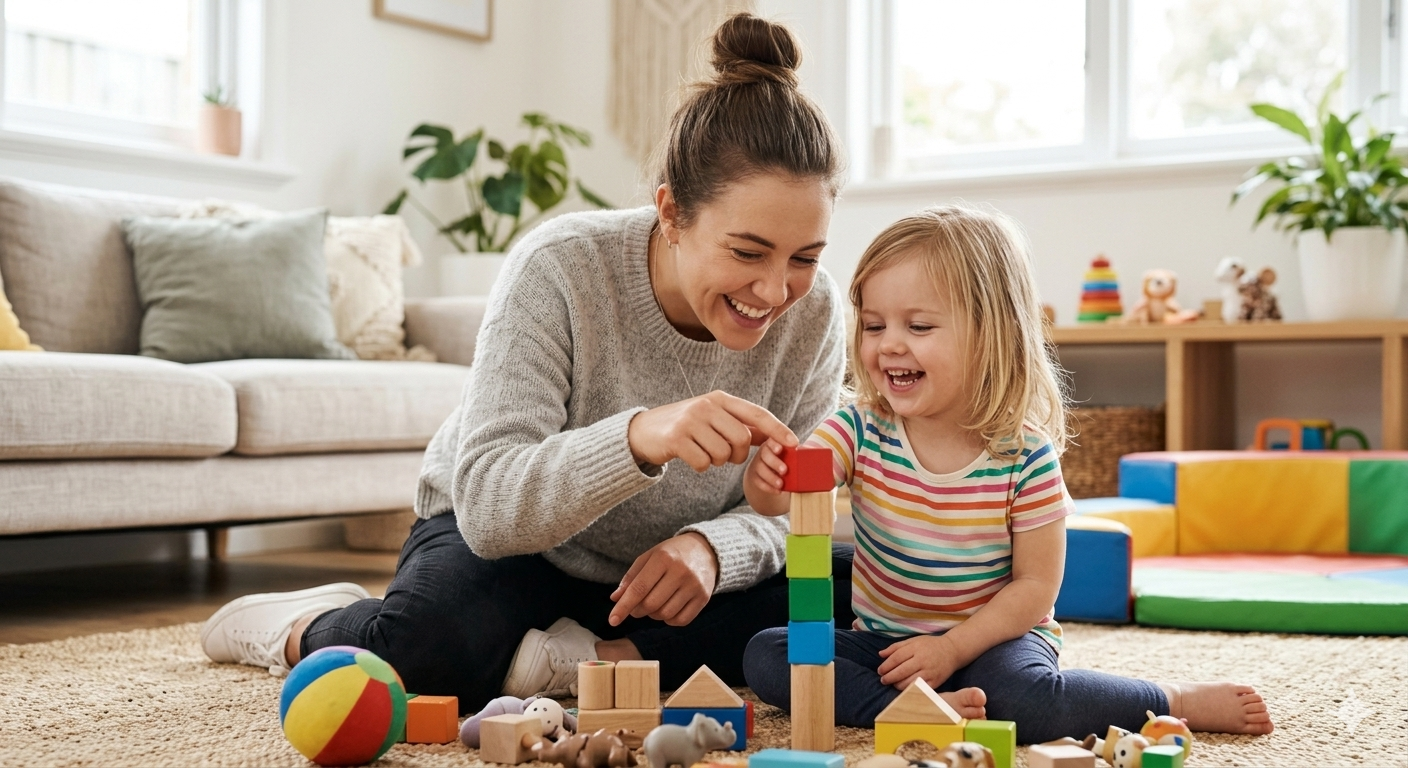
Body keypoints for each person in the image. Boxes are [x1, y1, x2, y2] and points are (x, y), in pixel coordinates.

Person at [199, 13, 858, 712]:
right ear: (671, 212)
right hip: (521, 548)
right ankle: (303, 625)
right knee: (429, 647)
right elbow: (486, 506)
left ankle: (587, 662)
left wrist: (711, 548)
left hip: (660, 576)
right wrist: (640, 438)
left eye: (805, 257)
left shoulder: (811, 313)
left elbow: (798, 509)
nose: (775, 289)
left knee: (864, 596)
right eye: (748, 252)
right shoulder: (563, 267)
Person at [740, 205, 1274, 743]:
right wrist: (769, 485)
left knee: (1024, 701)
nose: (889, 344)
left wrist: (953, 648)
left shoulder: (1024, 455)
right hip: (889, 646)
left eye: (919, 326)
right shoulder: (859, 425)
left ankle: (1169, 698)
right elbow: (796, 493)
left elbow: (1036, 588)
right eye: (874, 326)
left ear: (992, 333)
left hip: (996, 644)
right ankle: (910, 706)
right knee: (769, 654)